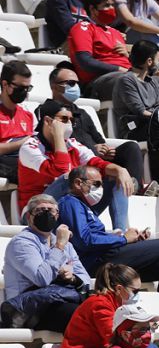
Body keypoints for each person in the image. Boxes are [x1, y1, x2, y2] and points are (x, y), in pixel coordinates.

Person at [57, 165, 159, 317]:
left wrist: (128, 239)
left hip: (106, 257)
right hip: (95, 262)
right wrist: (123, 239)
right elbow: (85, 241)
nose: (100, 189)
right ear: (78, 183)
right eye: (96, 184)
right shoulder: (70, 203)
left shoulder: (84, 206)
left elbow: (94, 237)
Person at [18, 99, 135, 233]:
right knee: (69, 177)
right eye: (64, 119)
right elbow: (61, 171)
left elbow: (98, 163)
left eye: (71, 121)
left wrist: (120, 170)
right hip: (37, 214)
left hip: (70, 210)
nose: (69, 124)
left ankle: (120, 232)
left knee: (114, 177)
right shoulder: (30, 147)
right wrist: (58, 136)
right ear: (48, 121)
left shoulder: (73, 144)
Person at [46, 61, 146, 192]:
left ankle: (135, 189)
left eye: (77, 83)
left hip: (96, 158)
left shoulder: (82, 113)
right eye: (70, 83)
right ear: (54, 87)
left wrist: (106, 149)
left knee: (131, 147)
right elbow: (52, 142)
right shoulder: (46, 112)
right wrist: (92, 148)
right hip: (75, 160)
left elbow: (99, 139)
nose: (75, 87)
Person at [1, 194, 89, 331]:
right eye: (40, 210)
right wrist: (59, 246)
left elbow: (85, 279)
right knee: (82, 317)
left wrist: (72, 278)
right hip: (30, 309)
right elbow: (42, 278)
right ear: (29, 217)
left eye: (51, 210)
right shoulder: (21, 242)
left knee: (95, 312)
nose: (47, 214)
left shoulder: (66, 245)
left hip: (60, 298)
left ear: (57, 215)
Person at [55, 263, 141, 348]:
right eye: (135, 291)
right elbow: (113, 339)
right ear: (119, 289)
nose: (138, 295)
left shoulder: (118, 305)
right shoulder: (100, 304)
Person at [68, 0, 132, 100]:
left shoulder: (116, 33)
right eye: (106, 5)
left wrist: (128, 56)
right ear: (93, 9)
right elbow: (85, 62)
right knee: (132, 82)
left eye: (112, 5)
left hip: (127, 75)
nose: (112, 9)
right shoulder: (82, 28)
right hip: (99, 81)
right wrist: (119, 69)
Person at [110, 41, 159, 140]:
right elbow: (140, 111)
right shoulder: (126, 80)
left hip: (153, 123)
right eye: (158, 60)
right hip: (134, 129)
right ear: (149, 61)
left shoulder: (153, 82)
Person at [0, 60, 36, 183]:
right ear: (5, 85)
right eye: (21, 88)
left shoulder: (27, 115)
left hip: (25, 158)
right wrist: (22, 142)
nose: (25, 92)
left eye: (28, 88)